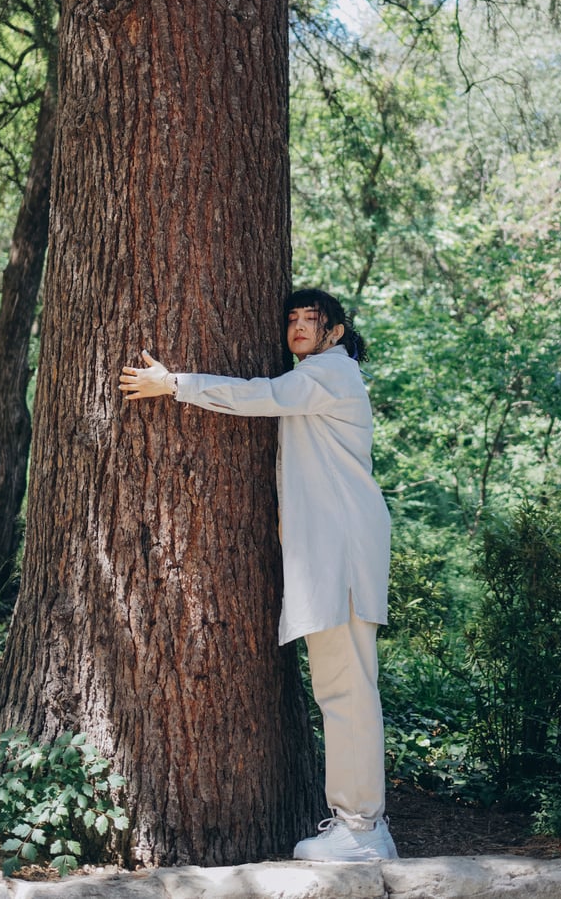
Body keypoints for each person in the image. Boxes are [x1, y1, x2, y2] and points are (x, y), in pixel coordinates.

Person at [119, 288, 398, 862]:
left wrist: (174, 383)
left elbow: (262, 397)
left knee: (347, 691)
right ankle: (362, 826)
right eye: (291, 318)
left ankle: (364, 830)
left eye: (311, 319)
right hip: (332, 550)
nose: (298, 326)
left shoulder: (329, 374)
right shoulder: (322, 376)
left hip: (341, 552)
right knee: (339, 689)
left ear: (336, 332)